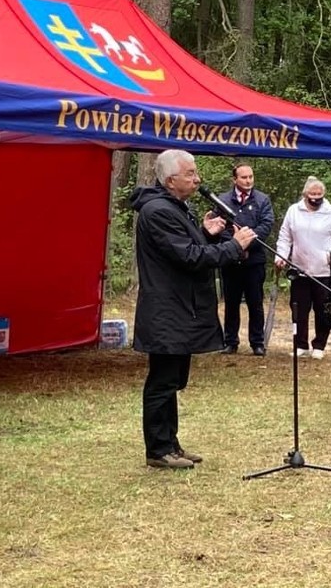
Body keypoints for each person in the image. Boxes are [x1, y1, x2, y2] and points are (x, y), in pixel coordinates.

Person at [131, 149, 257, 469]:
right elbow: (191, 258)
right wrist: (233, 246)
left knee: (173, 380)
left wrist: (205, 233)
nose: (197, 178)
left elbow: (187, 250)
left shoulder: (175, 207)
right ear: (171, 180)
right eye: (190, 174)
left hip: (179, 307)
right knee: (162, 380)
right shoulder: (158, 211)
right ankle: (158, 450)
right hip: (166, 310)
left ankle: (170, 443)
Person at [275, 176, 331, 360]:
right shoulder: (294, 211)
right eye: (312, 194)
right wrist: (282, 255)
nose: (316, 197)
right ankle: (300, 344)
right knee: (299, 309)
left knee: (322, 309)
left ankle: (320, 345)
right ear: (305, 194)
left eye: (319, 194)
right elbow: (285, 236)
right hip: (299, 269)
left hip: (324, 270)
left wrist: (330, 256)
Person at [216, 163, 275, 356]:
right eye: (244, 177)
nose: (248, 180)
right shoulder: (223, 200)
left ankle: (257, 342)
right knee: (231, 302)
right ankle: (230, 341)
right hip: (230, 260)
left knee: (255, 303)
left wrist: (246, 244)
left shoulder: (262, 199)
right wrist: (234, 245)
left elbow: (266, 226)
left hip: (254, 260)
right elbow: (219, 227)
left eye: (251, 177)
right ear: (235, 179)